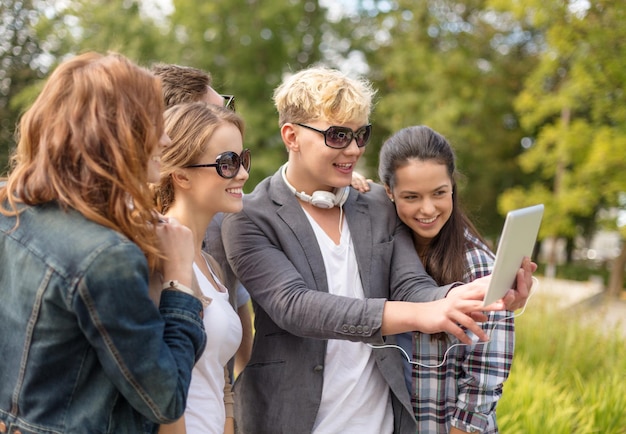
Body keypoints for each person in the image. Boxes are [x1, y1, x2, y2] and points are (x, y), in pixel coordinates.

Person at [220, 65, 534, 434]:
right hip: (284, 420)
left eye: (360, 134)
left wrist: (472, 294)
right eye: (337, 136)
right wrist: (420, 315)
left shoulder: (376, 205)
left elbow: (412, 286)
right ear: (291, 136)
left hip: (381, 423)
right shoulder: (248, 218)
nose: (353, 149)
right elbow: (296, 307)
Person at [0, 52, 206, 433]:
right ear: (118, 133)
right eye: (155, 123)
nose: (167, 137)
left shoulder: (11, 208)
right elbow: (165, 398)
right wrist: (179, 278)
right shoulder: (106, 257)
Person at [377, 125, 513, 433]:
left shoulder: (477, 265)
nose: (428, 209)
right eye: (411, 196)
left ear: (452, 185)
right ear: (389, 192)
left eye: (439, 193)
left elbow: (485, 379)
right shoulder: (378, 254)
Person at [153, 102, 250, 434]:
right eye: (228, 163)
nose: (243, 174)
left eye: (243, 159)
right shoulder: (155, 257)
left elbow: (220, 378)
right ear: (181, 175)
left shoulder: (210, 264)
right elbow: (161, 380)